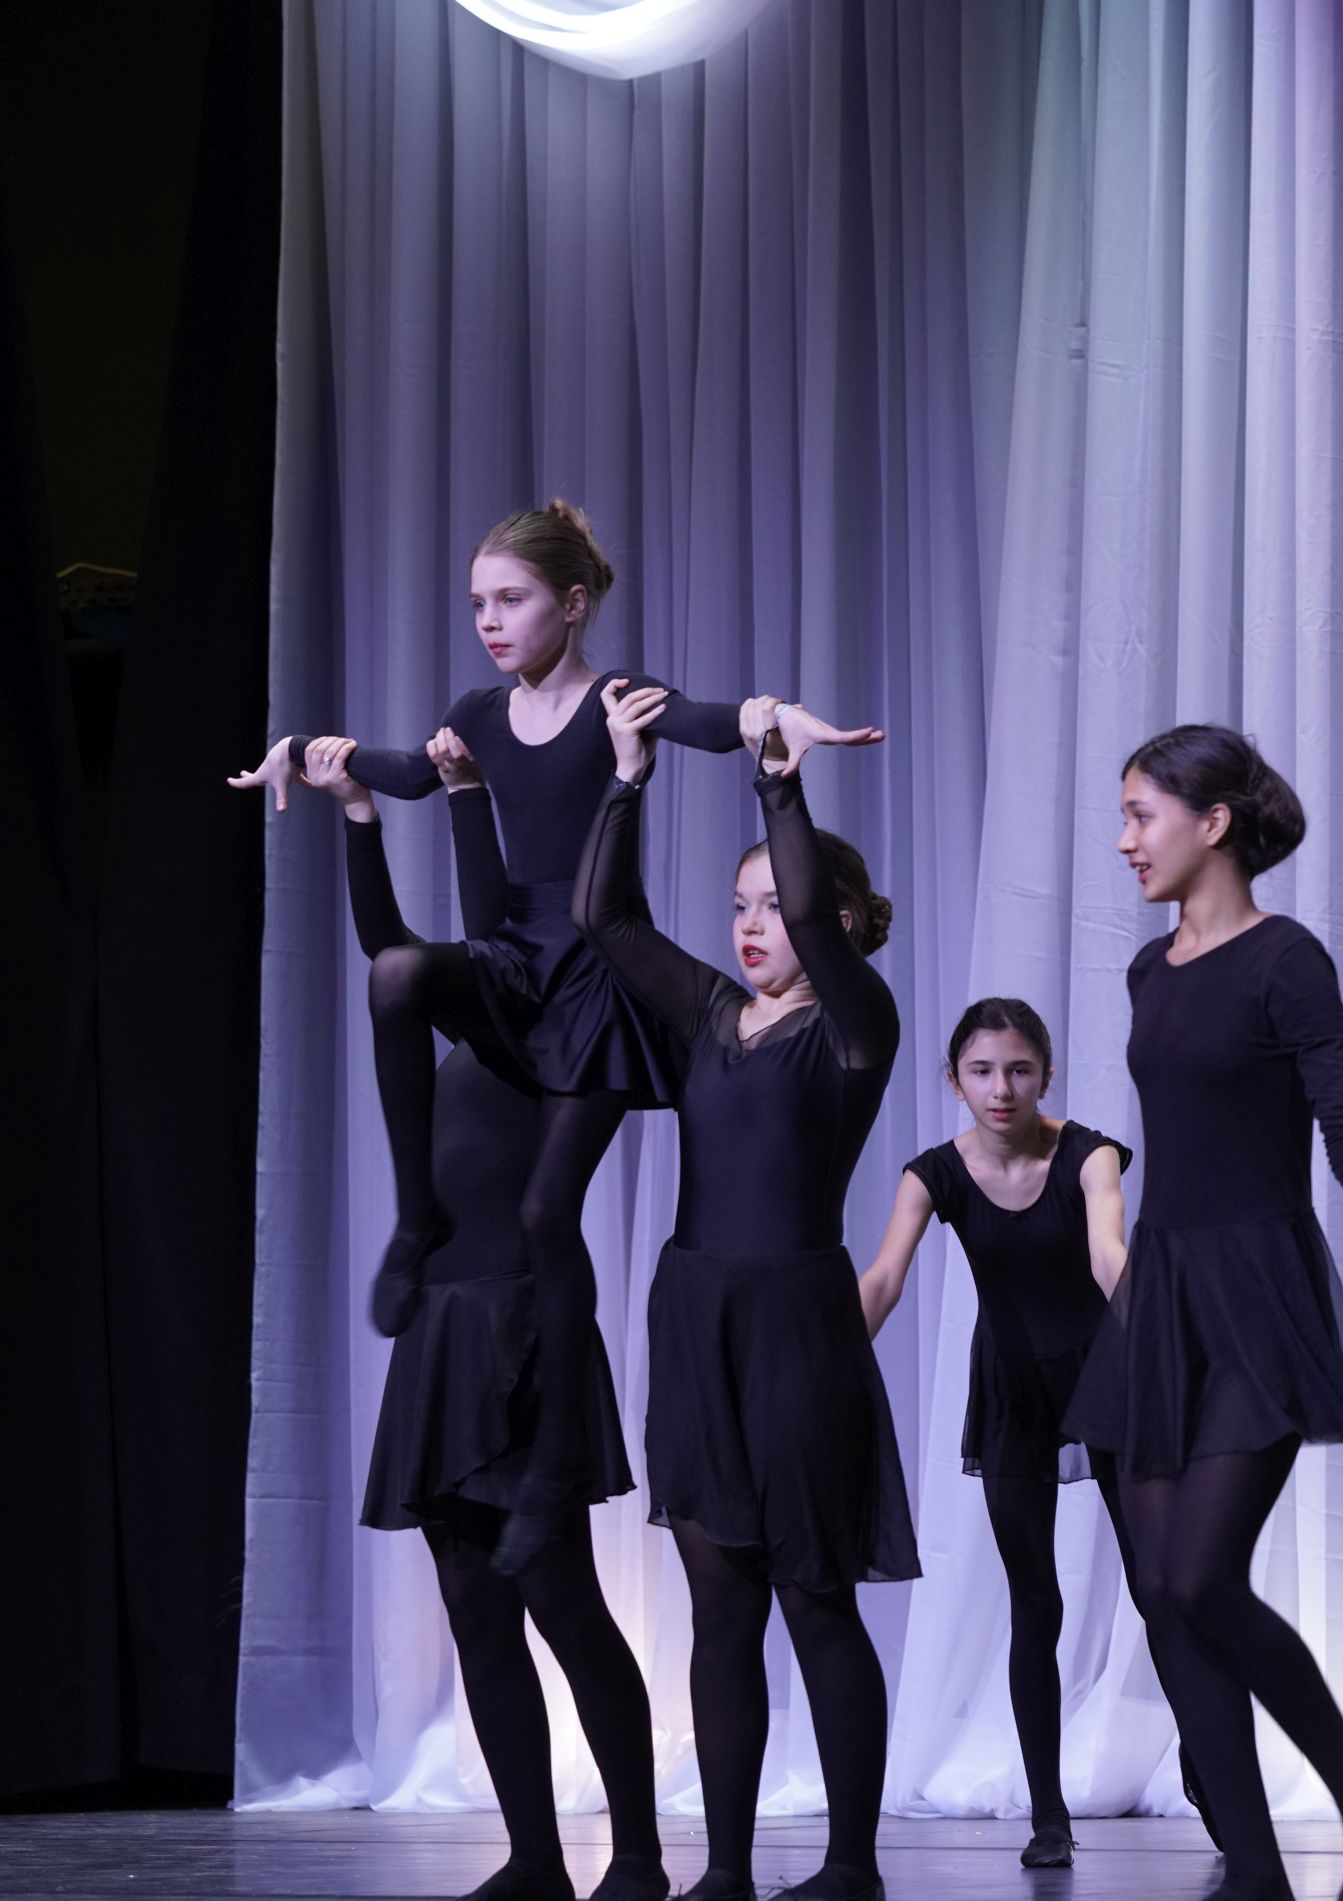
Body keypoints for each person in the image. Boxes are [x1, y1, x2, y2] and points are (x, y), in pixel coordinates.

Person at [228, 499, 875, 1575]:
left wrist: (775, 719)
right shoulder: (478, 715)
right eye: (478, 603)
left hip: (602, 978)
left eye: (512, 600)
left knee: (543, 1213)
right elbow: (397, 771)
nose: (490, 621)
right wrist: (303, 751)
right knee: (396, 971)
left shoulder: (615, 701)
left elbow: (711, 719)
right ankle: (417, 1213)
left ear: (572, 606)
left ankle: (552, 1463)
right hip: (517, 961)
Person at [1060, 723, 1343, 1901]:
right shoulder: (1148, 969)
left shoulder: (1286, 959)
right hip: (1162, 1298)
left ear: (1211, 822)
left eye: (1140, 814)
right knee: (1163, 1595)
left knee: (1199, 1576)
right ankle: (1255, 1869)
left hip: (1257, 1296)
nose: (1123, 839)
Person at [301, 734, 662, 1901]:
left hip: (518, 1323)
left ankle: (639, 1856)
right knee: (473, 1605)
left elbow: (484, 928)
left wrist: (468, 800)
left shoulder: (569, 1049)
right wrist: (360, 811)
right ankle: (535, 1860)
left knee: (562, 1599)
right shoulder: (477, 1024)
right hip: (443, 1323)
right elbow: (395, 950)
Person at [581, 681, 910, 1901]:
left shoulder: (856, 1023)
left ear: (838, 919)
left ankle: (850, 1864)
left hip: (794, 1325)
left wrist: (777, 777)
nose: (755, 924)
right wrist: (626, 776)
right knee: (720, 1609)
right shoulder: (715, 1014)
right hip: (695, 1315)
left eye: (775, 903)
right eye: (739, 905)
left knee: (815, 1597)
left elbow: (817, 919)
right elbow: (605, 918)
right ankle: (721, 1866)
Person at [856, 997, 1132, 1867]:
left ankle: (1207, 1763)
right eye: (981, 1071)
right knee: (1034, 1601)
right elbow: (884, 1278)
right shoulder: (933, 1173)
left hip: (1107, 1375)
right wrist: (821, 1358)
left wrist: (1161, 1337)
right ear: (955, 1081)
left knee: (1166, 1588)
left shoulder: (1088, 1153)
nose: (1001, 1088)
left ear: (1045, 1073)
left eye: (1019, 1069)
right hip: (1012, 1391)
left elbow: (1109, 1255)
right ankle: (1048, 1815)